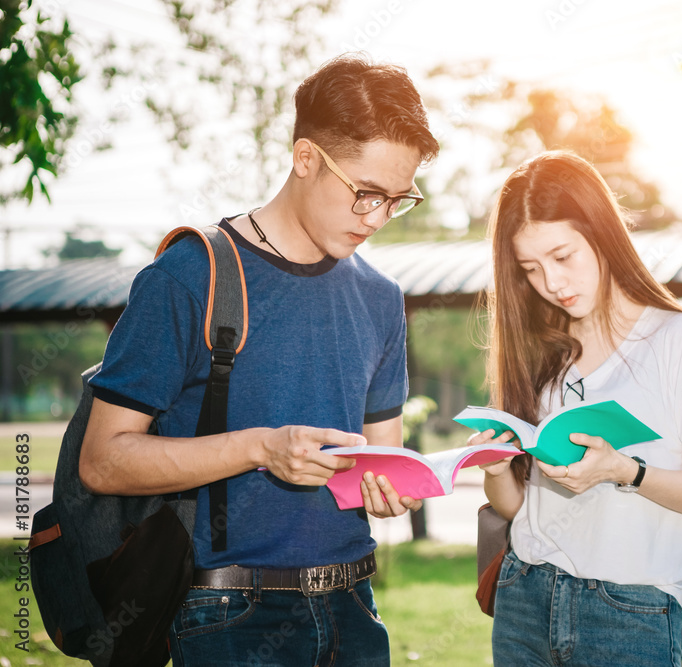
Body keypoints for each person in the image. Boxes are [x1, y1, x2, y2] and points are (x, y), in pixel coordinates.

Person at [78, 53, 438, 666]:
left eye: (397, 200)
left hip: (356, 611)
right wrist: (260, 449)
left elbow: (380, 458)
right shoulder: (189, 276)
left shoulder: (381, 298)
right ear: (305, 158)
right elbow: (103, 462)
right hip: (227, 618)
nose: (376, 219)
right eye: (366, 194)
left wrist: (400, 489)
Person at [471, 150, 682, 666]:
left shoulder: (678, 339)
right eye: (531, 268)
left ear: (602, 233)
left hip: (630, 612)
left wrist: (623, 471)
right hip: (525, 596)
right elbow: (520, 510)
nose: (552, 284)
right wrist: (497, 470)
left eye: (563, 256)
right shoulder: (540, 348)